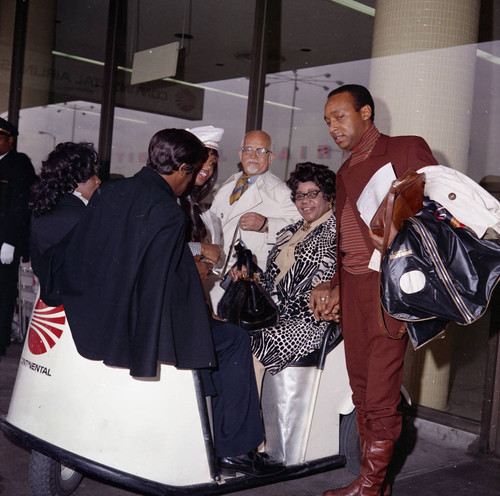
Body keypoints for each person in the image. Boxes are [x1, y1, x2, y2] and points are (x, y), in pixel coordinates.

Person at [58, 129, 283, 477]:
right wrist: (206, 307)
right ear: (179, 168)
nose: (191, 181)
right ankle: (237, 451)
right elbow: (174, 289)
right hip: (145, 326)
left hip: (97, 314)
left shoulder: (110, 192)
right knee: (233, 339)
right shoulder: (167, 211)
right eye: (191, 172)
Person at [311, 85, 438, 496]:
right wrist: (334, 285)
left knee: (382, 391)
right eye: (328, 120)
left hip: (388, 288)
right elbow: (344, 237)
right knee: (362, 389)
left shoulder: (405, 149)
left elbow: (435, 215)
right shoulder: (345, 171)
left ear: (366, 112)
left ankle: (369, 486)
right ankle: (374, 484)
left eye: (340, 116)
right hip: (353, 289)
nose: (333, 126)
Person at [231, 162, 340, 375]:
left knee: (249, 344)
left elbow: (348, 275)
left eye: (312, 194)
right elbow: (273, 280)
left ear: (328, 196)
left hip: (308, 322)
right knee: (229, 336)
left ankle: (248, 409)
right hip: (274, 315)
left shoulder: (339, 233)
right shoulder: (289, 231)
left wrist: (332, 285)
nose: (305, 201)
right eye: (299, 196)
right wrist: (249, 275)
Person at [209, 130, 300, 308]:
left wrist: (267, 225)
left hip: (247, 286)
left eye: (261, 151)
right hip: (214, 280)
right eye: (248, 149)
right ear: (240, 154)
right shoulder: (227, 187)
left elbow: (301, 230)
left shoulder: (281, 192)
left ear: (271, 158)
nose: (253, 155)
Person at [29, 142, 101, 306]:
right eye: (92, 175)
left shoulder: (42, 210)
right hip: (77, 312)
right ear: (74, 180)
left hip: (45, 311)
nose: (98, 181)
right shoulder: (84, 217)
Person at [0, 118, 36, 356]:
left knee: (2, 292)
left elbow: (20, 205)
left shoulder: (19, 164)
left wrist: (10, 242)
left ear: (10, 140)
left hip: (4, 242)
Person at [180, 125, 224, 265]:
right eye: (203, 159)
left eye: (212, 162)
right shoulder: (172, 198)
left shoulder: (193, 201)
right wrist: (202, 249)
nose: (209, 167)